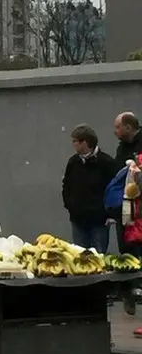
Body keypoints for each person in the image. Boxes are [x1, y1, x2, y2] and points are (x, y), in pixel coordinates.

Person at [62, 124, 118, 253]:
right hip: (78, 220)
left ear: (85, 142)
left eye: (75, 141)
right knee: (79, 257)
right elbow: (66, 185)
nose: (73, 144)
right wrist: (70, 205)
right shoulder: (73, 162)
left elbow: (113, 189)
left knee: (98, 257)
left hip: (99, 221)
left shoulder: (106, 162)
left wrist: (109, 214)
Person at [113, 113, 142, 317]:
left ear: (129, 128)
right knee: (127, 250)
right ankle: (128, 292)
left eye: (118, 127)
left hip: (140, 210)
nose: (115, 132)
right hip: (126, 210)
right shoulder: (121, 149)